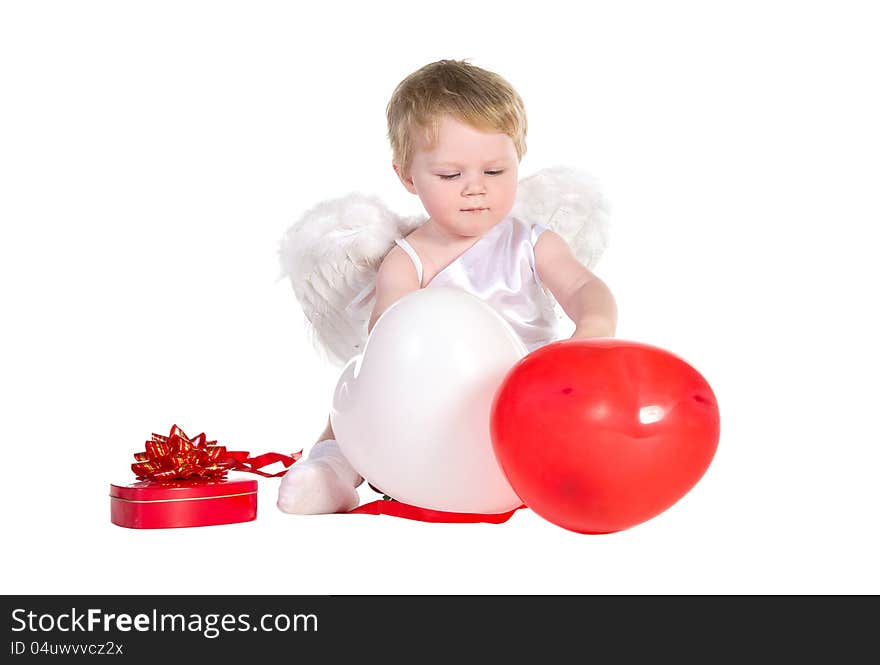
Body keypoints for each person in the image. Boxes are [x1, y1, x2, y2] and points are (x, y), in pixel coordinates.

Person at [277, 59, 618, 515]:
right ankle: (331, 469)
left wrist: (593, 324)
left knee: (590, 419)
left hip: (522, 400)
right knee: (357, 401)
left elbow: (582, 286)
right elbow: (386, 348)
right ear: (407, 177)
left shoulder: (532, 242)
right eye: (451, 176)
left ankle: (573, 472)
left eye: (495, 172)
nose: (475, 189)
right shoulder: (406, 261)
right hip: (430, 406)